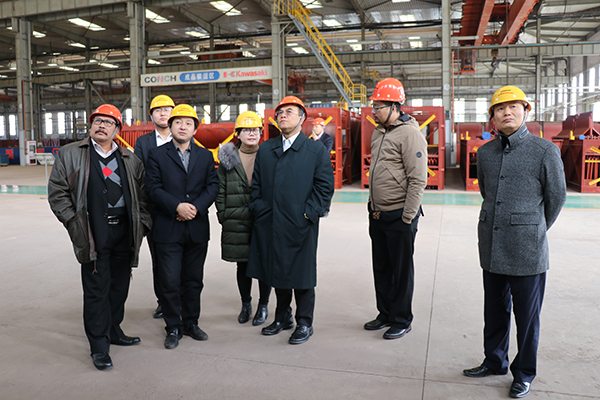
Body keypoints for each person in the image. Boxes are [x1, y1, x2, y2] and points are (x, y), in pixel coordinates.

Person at [462, 85, 566, 398]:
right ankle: (494, 361)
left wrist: (534, 227)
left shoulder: (544, 151)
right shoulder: (485, 153)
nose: (507, 112)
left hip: (527, 250)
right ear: (492, 117)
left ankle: (524, 373)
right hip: (492, 246)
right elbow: (486, 192)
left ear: (525, 111)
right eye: (500, 108)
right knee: (494, 310)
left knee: (527, 318)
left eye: (513, 107)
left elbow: (556, 197)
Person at [48, 104, 152, 370]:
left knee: (119, 286)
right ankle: (99, 346)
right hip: (93, 231)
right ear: (91, 125)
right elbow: (58, 192)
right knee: (96, 289)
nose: (102, 126)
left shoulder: (129, 159)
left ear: (117, 129)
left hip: (124, 232)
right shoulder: (71, 154)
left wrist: (142, 225)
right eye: (98, 121)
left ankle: (113, 330)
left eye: (108, 122)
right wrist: (73, 222)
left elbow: (143, 197)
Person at [247, 96, 334, 345]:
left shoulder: (315, 151)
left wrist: (308, 214)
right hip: (270, 222)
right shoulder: (266, 149)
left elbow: (324, 188)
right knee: (276, 270)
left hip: (300, 224)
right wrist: (259, 209)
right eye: (280, 112)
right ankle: (282, 317)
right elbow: (257, 186)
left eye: (289, 111)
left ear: (302, 118)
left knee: (302, 274)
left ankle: (304, 322)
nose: (283, 115)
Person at [145, 104, 219, 350]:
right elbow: (152, 188)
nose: (183, 126)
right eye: (178, 122)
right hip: (168, 228)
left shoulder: (205, 156)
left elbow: (213, 186)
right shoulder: (157, 155)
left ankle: (191, 323)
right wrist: (177, 206)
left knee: (194, 280)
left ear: (195, 129)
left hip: (196, 228)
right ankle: (173, 327)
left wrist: (195, 207)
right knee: (169, 281)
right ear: (171, 126)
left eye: (188, 123)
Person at [364, 77, 428, 340]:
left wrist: (407, 217)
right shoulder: (379, 132)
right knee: (382, 268)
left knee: (401, 272)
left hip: (399, 215)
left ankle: (401, 319)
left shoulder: (410, 134)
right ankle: (386, 314)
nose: (373, 111)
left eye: (377, 107)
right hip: (378, 213)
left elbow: (418, 179)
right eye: (373, 106)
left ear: (394, 107)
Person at [216, 111, 271, 326]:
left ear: (261, 132)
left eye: (255, 129)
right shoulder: (228, 159)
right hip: (236, 219)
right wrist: (223, 215)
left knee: (265, 263)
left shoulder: (269, 156)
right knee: (243, 265)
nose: (251, 133)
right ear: (237, 133)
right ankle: (246, 304)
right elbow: (220, 190)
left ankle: (263, 305)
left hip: (263, 218)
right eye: (246, 129)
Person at [134, 94, 175, 319]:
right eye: (158, 110)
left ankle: (180, 300)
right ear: (151, 116)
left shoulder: (182, 137)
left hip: (180, 208)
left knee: (182, 259)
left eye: (167, 109)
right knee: (159, 260)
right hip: (155, 209)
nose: (163, 113)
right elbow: (140, 174)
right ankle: (163, 301)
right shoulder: (143, 143)